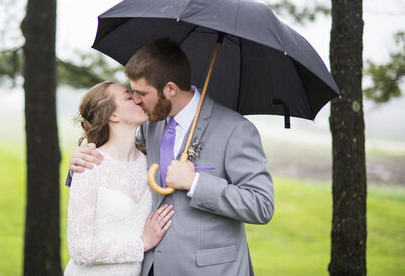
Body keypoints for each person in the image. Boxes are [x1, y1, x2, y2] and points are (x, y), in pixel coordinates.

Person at [67, 38, 274, 276]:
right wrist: (81, 161)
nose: (136, 100)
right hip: (149, 268)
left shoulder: (235, 130)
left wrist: (195, 183)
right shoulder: (151, 124)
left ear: (170, 89)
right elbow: (118, 160)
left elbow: (262, 205)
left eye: (142, 93)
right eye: (132, 93)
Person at [64, 81, 175, 276]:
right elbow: (79, 250)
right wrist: (142, 243)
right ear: (113, 115)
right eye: (128, 97)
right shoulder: (89, 166)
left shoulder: (149, 164)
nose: (137, 99)